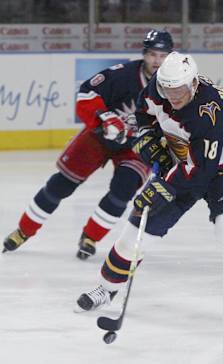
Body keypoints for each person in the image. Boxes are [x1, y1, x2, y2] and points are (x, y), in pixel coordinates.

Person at [75, 52, 223, 322]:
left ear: (193, 84)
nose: (173, 95)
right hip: (183, 165)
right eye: (167, 88)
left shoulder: (209, 110)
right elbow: (144, 117)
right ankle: (108, 287)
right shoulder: (158, 88)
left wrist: (162, 187)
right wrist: (149, 142)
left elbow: (200, 171)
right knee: (137, 228)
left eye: (179, 89)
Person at [2, 30, 174, 260]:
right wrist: (104, 117)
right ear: (144, 54)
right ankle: (24, 230)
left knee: (122, 192)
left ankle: (90, 237)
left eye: (163, 56)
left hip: (136, 147)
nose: (157, 61)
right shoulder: (122, 75)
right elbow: (86, 92)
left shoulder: (174, 86)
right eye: (152, 54)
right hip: (98, 137)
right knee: (60, 185)